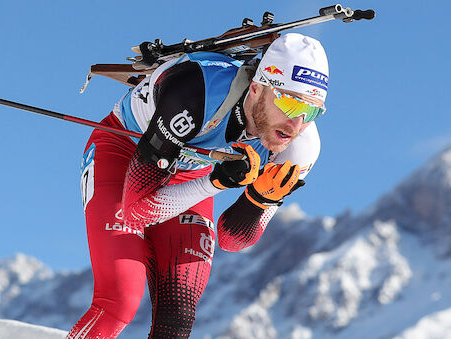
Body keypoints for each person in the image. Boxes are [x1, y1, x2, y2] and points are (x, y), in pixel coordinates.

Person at [67, 33, 329, 338]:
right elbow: (137, 211)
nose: (295, 124)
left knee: (177, 320)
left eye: (311, 111)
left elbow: (232, 240)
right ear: (257, 89)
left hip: (191, 174)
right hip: (124, 152)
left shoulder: (300, 150)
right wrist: (217, 181)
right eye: (288, 103)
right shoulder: (196, 92)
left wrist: (256, 201)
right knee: (119, 301)